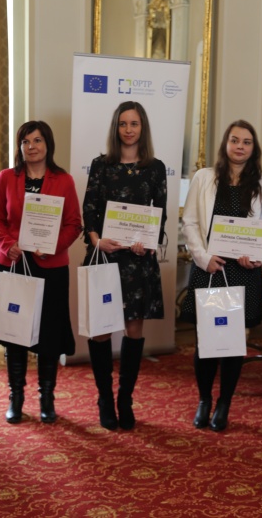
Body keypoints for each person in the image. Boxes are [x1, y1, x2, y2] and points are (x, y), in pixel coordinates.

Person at [180, 120, 262, 432]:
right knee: (205, 341)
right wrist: (203, 257)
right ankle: (204, 400)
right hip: (210, 268)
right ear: (225, 143)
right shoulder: (204, 178)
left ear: (254, 148)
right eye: (234, 140)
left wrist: (257, 255)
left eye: (246, 142)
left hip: (243, 272)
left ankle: (224, 403)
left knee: (234, 344)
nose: (240, 147)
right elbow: (190, 222)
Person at [0, 121, 82, 424]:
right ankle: (16, 397)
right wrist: (8, 244)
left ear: (48, 144)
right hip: (13, 264)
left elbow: (74, 224)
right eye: (26, 141)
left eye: (38, 140)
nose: (31, 147)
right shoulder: (7, 177)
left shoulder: (63, 180)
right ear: (20, 147)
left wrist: (51, 246)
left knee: (50, 334)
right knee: (14, 332)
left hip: (51, 267)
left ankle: (46, 397)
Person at [82, 101, 167, 431]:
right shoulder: (101, 165)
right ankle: (104, 398)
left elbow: (159, 214)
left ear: (143, 128)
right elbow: (89, 209)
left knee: (134, 330)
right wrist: (96, 240)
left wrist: (147, 241)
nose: (128, 129)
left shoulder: (155, 168)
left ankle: (125, 399)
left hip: (137, 261)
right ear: (115, 128)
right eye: (123, 123)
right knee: (101, 330)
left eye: (134, 123)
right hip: (105, 257)